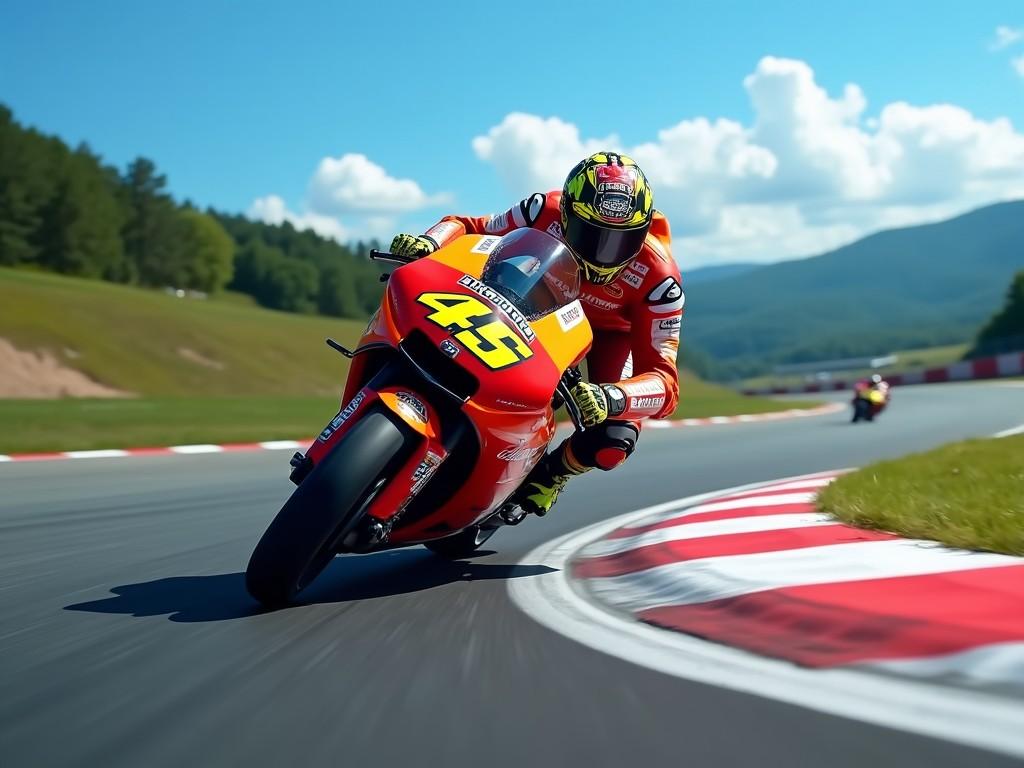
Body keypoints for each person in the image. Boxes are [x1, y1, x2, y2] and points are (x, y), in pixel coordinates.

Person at [390, 152, 684, 515]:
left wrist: (612, 397)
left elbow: (665, 385)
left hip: (610, 336)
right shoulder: (540, 209)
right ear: (566, 216)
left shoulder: (662, 281)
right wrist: (430, 243)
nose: (605, 256)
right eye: (591, 235)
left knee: (613, 439)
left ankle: (552, 474)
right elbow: (467, 226)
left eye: (620, 242)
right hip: (541, 300)